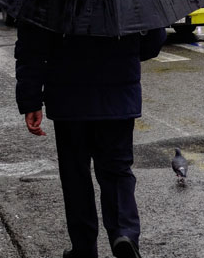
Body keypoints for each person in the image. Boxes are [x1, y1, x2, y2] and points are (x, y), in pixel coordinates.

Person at [15, 22, 166, 258]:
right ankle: (123, 232)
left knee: (75, 175)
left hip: (68, 95)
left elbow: (31, 44)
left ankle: (83, 247)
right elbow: (153, 41)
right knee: (117, 170)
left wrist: (30, 100)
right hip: (118, 94)